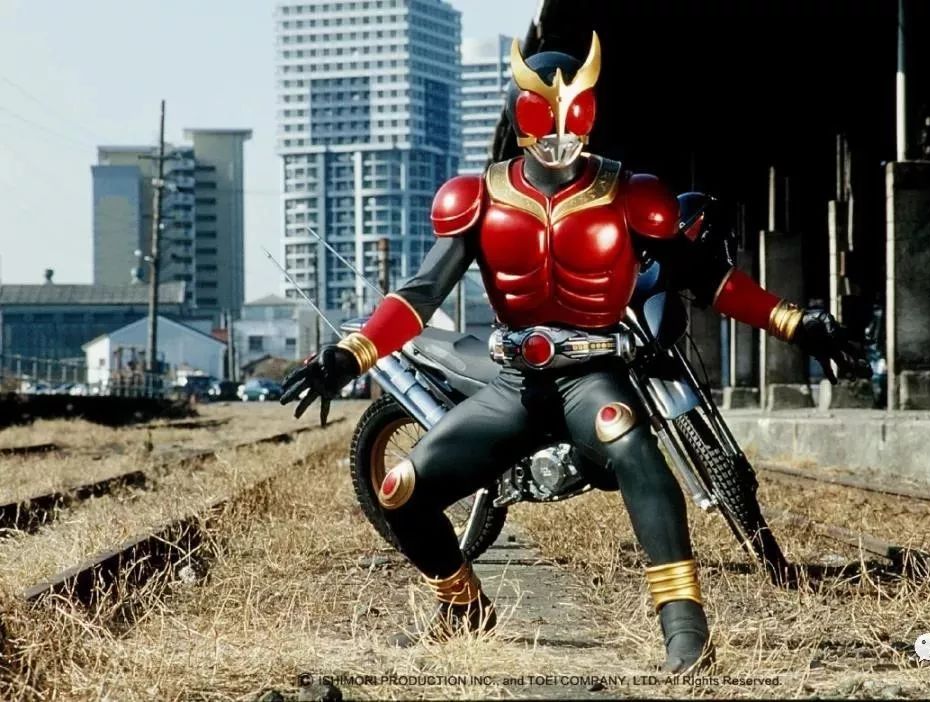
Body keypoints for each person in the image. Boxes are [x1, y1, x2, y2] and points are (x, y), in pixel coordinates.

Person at [281, 32, 869, 673]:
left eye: (574, 111)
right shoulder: (476, 199)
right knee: (400, 488)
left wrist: (795, 322)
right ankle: (462, 605)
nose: (560, 129)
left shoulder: (631, 195)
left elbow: (710, 280)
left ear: (591, 112)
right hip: (513, 385)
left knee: (632, 445)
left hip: (593, 378)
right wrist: (349, 355)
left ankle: (685, 630)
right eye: (543, 112)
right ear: (517, 113)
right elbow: (420, 295)